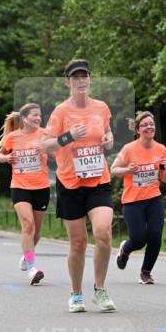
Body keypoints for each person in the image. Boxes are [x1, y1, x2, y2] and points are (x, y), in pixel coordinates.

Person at [42, 59, 116, 312]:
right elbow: (45, 145)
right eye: (76, 77)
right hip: (70, 183)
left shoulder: (101, 108)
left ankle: (100, 289)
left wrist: (108, 139)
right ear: (68, 82)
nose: (81, 81)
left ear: (90, 79)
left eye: (84, 76)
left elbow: (106, 133)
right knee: (78, 242)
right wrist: (68, 136)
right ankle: (75, 294)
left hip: (98, 180)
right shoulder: (60, 112)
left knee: (103, 233)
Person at [111, 111, 166, 284]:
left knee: (154, 235)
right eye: (145, 125)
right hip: (133, 201)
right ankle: (125, 250)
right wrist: (128, 171)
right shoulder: (129, 149)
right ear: (138, 129)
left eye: (151, 124)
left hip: (154, 198)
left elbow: (165, 179)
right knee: (138, 239)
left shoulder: (161, 149)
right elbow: (114, 170)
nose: (149, 127)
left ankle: (146, 272)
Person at [0, 103, 49, 285]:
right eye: (34, 115)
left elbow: (58, 153)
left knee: (37, 232)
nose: (38, 118)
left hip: (41, 186)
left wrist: (46, 150)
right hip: (20, 186)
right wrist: (7, 158)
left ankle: (27, 256)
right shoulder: (13, 137)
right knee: (28, 225)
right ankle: (32, 268)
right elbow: (0, 155)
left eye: (39, 115)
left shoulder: (45, 134)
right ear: (25, 118)